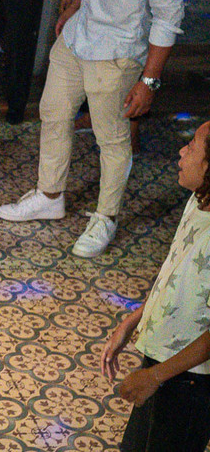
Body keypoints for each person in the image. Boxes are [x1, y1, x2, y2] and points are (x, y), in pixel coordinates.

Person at [0, 0, 188, 257]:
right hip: (79, 36)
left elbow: (168, 17)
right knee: (53, 113)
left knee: (112, 139)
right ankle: (49, 196)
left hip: (116, 52)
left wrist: (149, 82)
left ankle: (106, 217)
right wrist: (73, 3)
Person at [100, 120, 210, 452]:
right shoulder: (198, 201)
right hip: (162, 363)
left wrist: (155, 377)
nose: (181, 151)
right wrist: (132, 321)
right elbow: (174, 273)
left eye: (192, 147)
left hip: (191, 382)